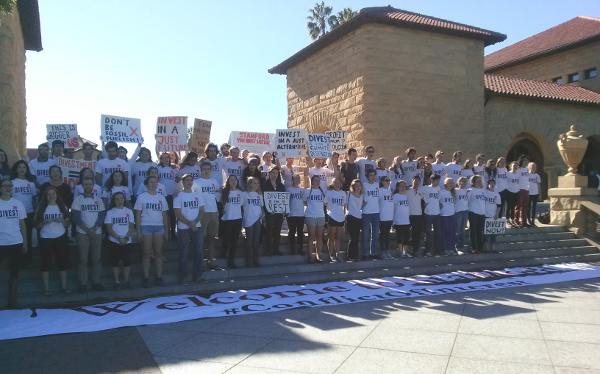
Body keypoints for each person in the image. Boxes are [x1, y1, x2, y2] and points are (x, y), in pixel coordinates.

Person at [72, 177, 106, 293]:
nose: (88, 186)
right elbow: (76, 217)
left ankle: (96, 282)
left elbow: (102, 216)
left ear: (93, 186)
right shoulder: (78, 200)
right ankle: (83, 283)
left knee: (97, 259)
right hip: (82, 233)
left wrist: (95, 228)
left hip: (96, 232)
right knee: (83, 260)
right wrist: (88, 229)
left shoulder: (98, 200)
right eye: (86, 184)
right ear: (82, 186)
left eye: (90, 184)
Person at [134, 176, 169, 287]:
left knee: (158, 253)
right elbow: (138, 215)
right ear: (147, 184)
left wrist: (167, 231)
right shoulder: (141, 197)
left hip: (159, 227)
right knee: (146, 253)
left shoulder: (161, 198)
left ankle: (159, 277)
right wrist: (138, 231)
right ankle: (146, 278)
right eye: (151, 182)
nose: (153, 184)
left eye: (155, 182)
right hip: (146, 226)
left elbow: (164, 215)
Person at [35, 186, 71, 295]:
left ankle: (64, 287)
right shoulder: (41, 208)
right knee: (46, 263)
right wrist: (45, 222)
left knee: (62, 262)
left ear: (57, 195)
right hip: (46, 238)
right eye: (49, 194)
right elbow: (36, 225)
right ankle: (46, 289)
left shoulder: (62, 206)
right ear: (46, 196)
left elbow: (68, 223)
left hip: (60, 237)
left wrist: (62, 221)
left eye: (53, 194)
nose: (51, 196)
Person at [0, 179, 28, 308]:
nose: (7, 188)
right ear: (0, 188)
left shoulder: (18, 204)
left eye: (9, 186)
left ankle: (13, 299)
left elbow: (22, 225)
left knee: (14, 272)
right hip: (1, 242)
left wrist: (25, 242)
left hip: (16, 241)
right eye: (5, 186)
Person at [174, 174, 205, 284]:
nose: (189, 182)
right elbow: (177, 213)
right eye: (187, 180)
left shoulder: (197, 196)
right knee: (184, 253)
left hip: (197, 227)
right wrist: (189, 223)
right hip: (184, 229)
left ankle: (197, 275)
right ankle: (183, 277)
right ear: (183, 182)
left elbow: (202, 211)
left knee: (199, 252)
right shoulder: (179, 196)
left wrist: (195, 222)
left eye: (191, 180)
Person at [192, 161, 221, 271]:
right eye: (204, 168)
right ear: (201, 170)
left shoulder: (214, 182)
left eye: (208, 169)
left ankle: (211, 262)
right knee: (202, 240)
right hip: (202, 213)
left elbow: (219, 191)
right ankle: (201, 263)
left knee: (212, 238)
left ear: (211, 170)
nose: (206, 171)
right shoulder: (196, 182)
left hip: (214, 212)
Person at [104, 192, 135, 290]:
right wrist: (118, 238)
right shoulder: (110, 212)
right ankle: (116, 282)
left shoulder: (129, 211)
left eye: (121, 198)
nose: (119, 201)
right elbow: (108, 228)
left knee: (126, 262)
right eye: (117, 199)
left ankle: (126, 281)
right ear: (114, 201)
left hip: (127, 241)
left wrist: (126, 238)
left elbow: (131, 226)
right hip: (114, 241)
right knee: (115, 262)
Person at [10, 160, 36, 268]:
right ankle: (17, 261)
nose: (22, 169)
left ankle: (27, 261)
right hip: (16, 215)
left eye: (24, 167)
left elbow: (34, 199)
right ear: (16, 169)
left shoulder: (31, 183)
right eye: (20, 167)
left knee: (28, 238)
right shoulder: (12, 182)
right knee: (17, 238)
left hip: (29, 213)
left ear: (27, 169)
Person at [220, 175, 243, 268]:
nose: (233, 181)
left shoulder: (240, 193)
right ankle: (223, 252)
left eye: (235, 180)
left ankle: (231, 260)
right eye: (231, 180)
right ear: (228, 182)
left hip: (237, 218)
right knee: (227, 238)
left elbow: (242, 204)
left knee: (234, 240)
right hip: (227, 219)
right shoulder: (225, 192)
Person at [263, 166, 285, 256]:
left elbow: (284, 198)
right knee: (268, 231)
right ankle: (268, 250)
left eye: (276, 173)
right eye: (273, 173)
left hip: (279, 212)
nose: (275, 175)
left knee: (277, 230)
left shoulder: (281, 185)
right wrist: (268, 210)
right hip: (269, 212)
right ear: (269, 173)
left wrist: (284, 209)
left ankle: (276, 249)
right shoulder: (265, 185)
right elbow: (264, 199)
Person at [304, 175, 327, 263]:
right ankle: (310, 255)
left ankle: (318, 255)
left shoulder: (323, 192)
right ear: (312, 182)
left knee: (319, 237)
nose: (317, 182)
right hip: (311, 216)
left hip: (320, 216)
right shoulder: (308, 191)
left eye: (319, 180)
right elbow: (304, 201)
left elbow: (325, 202)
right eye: (316, 180)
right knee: (311, 236)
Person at [242, 176, 264, 267]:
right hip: (248, 218)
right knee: (249, 240)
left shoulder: (259, 194)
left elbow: (261, 206)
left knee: (256, 240)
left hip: (257, 219)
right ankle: (249, 260)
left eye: (257, 183)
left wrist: (263, 215)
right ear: (250, 184)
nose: (256, 185)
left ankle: (256, 260)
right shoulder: (244, 194)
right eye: (254, 183)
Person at [157, 152, 178, 239]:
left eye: (167, 158)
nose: (166, 159)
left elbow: (178, 178)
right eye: (164, 158)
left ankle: (172, 233)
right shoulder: (157, 168)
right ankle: (163, 233)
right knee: (162, 215)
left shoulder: (174, 169)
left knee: (172, 215)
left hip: (170, 195)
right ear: (160, 159)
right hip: (160, 195)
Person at [325, 177, 346, 262]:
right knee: (331, 236)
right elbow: (325, 202)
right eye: (335, 183)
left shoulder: (343, 193)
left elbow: (344, 205)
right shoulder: (329, 193)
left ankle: (337, 253)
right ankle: (331, 254)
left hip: (340, 217)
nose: (337, 184)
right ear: (332, 184)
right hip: (332, 216)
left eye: (338, 183)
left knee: (338, 237)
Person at [422, 173, 442, 256]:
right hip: (428, 213)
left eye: (438, 181)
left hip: (437, 213)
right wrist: (423, 202)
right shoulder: (426, 188)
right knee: (428, 233)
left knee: (437, 233)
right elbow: (417, 192)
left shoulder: (439, 189)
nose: (438, 182)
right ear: (432, 180)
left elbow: (439, 199)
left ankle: (438, 250)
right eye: (436, 180)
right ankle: (428, 251)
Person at [362, 169, 380, 260]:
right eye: (371, 175)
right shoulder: (364, 186)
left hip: (376, 213)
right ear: (368, 177)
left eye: (374, 175)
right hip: (366, 213)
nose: (373, 177)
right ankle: (365, 254)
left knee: (375, 235)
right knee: (365, 235)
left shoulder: (378, 185)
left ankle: (373, 253)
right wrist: (361, 203)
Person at [286, 174, 305, 256]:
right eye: (295, 178)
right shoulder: (289, 190)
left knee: (300, 232)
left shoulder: (302, 190)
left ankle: (300, 247)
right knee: (292, 231)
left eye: (298, 178)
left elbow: (305, 201)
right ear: (292, 180)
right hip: (292, 214)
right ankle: (292, 248)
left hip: (301, 214)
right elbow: (286, 201)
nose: (297, 180)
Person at [467, 175, 486, 254]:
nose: (479, 182)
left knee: (480, 231)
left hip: (482, 213)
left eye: (480, 181)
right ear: (473, 182)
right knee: (473, 231)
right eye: (477, 181)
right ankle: (473, 247)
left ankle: (480, 247)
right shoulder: (470, 191)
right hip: (473, 212)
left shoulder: (483, 191)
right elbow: (467, 201)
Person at [346, 179, 364, 261]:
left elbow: (361, 205)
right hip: (351, 217)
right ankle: (350, 255)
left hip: (359, 217)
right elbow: (345, 205)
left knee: (356, 237)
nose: (358, 187)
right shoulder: (349, 194)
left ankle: (356, 255)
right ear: (353, 186)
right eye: (356, 185)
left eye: (359, 185)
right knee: (353, 237)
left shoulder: (362, 195)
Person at [392, 180, 411, 258]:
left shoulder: (406, 196)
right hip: (398, 220)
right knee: (400, 237)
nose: (403, 188)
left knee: (406, 237)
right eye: (401, 186)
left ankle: (405, 251)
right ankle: (400, 251)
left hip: (406, 220)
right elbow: (392, 208)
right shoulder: (395, 197)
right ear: (397, 187)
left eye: (404, 186)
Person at [406, 175, 424, 257]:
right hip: (409, 214)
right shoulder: (407, 190)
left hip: (418, 215)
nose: (416, 182)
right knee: (406, 233)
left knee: (417, 233)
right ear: (412, 181)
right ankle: (405, 250)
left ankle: (415, 250)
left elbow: (425, 200)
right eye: (415, 181)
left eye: (418, 181)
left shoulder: (421, 191)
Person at [378, 176, 394, 259]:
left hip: (390, 216)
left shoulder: (390, 191)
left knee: (387, 235)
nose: (388, 182)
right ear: (382, 182)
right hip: (382, 216)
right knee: (383, 235)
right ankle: (382, 252)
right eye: (386, 180)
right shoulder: (380, 191)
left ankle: (387, 251)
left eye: (389, 180)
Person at [440, 178, 457, 256]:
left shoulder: (453, 193)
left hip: (452, 214)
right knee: (445, 232)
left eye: (452, 183)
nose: (451, 184)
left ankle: (451, 248)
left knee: (452, 233)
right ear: (445, 183)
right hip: (444, 215)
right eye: (449, 182)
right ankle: (445, 248)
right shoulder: (442, 192)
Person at [483, 179, 501, 253]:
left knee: (494, 233)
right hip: (485, 215)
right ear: (488, 184)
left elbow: (499, 206)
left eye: (494, 183)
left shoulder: (496, 194)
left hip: (493, 216)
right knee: (486, 233)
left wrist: (497, 214)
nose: (492, 185)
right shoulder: (484, 192)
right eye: (491, 183)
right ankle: (486, 248)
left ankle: (493, 248)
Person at [454, 176, 469, 253]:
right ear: (458, 182)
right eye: (461, 181)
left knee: (463, 230)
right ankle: (456, 246)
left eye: (465, 181)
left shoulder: (467, 191)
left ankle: (461, 246)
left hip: (465, 212)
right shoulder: (455, 190)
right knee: (457, 230)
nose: (463, 183)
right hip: (458, 212)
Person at [515, 155, 530, 227]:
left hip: (526, 189)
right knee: (518, 206)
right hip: (520, 189)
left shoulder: (527, 169)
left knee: (525, 207)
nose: (526, 162)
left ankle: (524, 221)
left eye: (527, 161)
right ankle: (516, 220)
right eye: (524, 160)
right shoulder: (518, 169)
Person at [506, 161, 520, 227]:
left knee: (513, 207)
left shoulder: (517, 174)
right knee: (509, 206)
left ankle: (512, 219)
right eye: (514, 166)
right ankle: (507, 219)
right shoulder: (508, 174)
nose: (515, 167)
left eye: (516, 166)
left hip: (516, 192)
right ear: (511, 166)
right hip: (509, 191)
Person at [528, 162, 542, 227]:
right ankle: (528, 220)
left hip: (535, 193)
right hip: (528, 193)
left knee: (534, 207)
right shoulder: (527, 175)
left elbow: (539, 185)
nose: (533, 168)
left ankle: (533, 221)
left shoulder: (537, 176)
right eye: (532, 166)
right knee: (528, 207)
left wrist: (540, 194)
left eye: (534, 166)